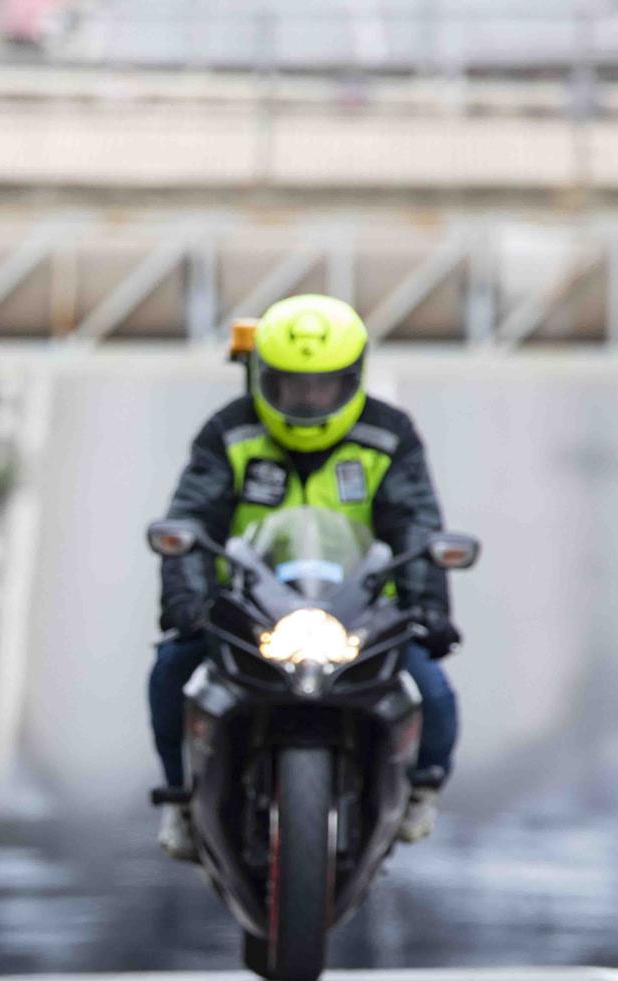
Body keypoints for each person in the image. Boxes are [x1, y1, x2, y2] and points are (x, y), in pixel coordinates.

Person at [149, 294, 461, 860]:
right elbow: (189, 519)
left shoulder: (389, 436)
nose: (309, 398)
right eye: (293, 384)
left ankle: (422, 790)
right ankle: (177, 798)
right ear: (262, 376)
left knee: (433, 690)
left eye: (325, 385)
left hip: (361, 612)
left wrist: (429, 609)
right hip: (247, 611)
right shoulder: (229, 432)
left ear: (354, 379)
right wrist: (188, 602)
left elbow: (417, 524)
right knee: (171, 667)